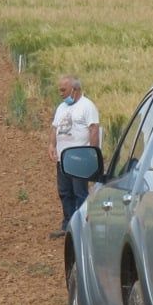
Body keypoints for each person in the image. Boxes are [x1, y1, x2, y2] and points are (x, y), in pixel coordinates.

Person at [49, 74, 100, 235]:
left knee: (80, 193)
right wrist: (52, 145)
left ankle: (81, 227)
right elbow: (54, 128)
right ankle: (68, 226)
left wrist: (92, 154)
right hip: (63, 159)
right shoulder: (61, 107)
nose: (61, 93)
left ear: (75, 89)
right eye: (60, 90)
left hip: (79, 159)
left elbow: (93, 129)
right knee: (64, 192)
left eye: (64, 90)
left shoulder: (87, 106)